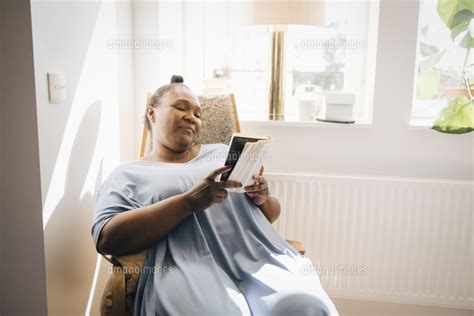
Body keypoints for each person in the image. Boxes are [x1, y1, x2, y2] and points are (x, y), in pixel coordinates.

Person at [92, 75, 339, 316]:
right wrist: (188, 202)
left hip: (257, 258)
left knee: (306, 306)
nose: (192, 118)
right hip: (185, 266)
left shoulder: (223, 154)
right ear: (151, 113)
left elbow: (269, 216)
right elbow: (107, 239)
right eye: (181, 107)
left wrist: (262, 198)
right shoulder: (128, 173)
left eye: (199, 114)